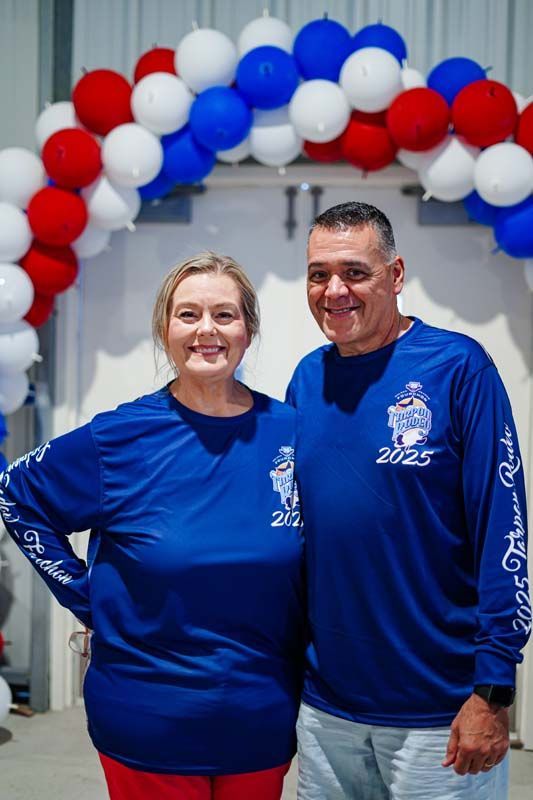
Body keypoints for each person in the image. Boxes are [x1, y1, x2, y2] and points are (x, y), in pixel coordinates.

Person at [0, 252, 304, 800]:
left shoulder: (290, 432)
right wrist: (84, 595)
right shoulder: (121, 437)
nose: (205, 329)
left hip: (261, 713)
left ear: (248, 329)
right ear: (165, 330)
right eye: (187, 314)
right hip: (148, 715)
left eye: (224, 315)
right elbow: (16, 494)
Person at [286, 202, 530, 800]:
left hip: (439, 712)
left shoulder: (458, 369)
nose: (334, 290)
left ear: (395, 275)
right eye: (319, 274)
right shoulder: (305, 380)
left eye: (354, 272)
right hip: (326, 710)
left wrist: (494, 689)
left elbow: (505, 531)